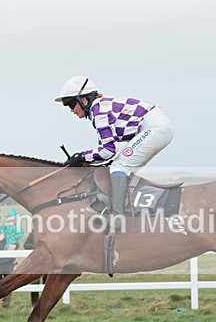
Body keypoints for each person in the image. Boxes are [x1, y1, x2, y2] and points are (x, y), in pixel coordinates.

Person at [55, 76, 175, 228]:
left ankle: (117, 218)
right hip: (155, 126)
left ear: (84, 100)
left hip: (155, 127)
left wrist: (81, 156)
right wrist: (87, 159)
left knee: (119, 167)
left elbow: (107, 150)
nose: (71, 110)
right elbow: (107, 151)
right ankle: (131, 209)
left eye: (71, 104)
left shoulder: (98, 112)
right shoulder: (99, 109)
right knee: (120, 166)